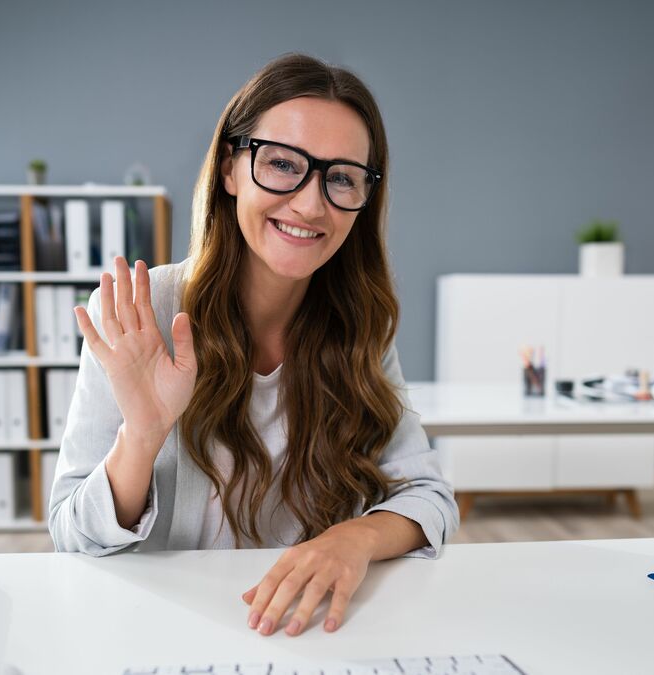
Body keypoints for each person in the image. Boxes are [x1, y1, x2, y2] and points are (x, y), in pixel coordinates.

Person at [48, 53, 457, 638]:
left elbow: (429, 496)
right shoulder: (147, 310)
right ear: (230, 170)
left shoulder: (358, 323)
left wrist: (354, 539)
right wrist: (141, 435)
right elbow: (71, 535)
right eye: (283, 164)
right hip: (161, 631)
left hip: (309, 631)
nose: (312, 204)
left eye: (341, 176)